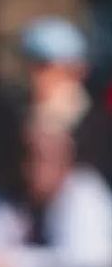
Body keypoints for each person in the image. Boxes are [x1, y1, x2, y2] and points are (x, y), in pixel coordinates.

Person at [0, 120, 112, 267]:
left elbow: (94, 265)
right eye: (25, 156)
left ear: (66, 162)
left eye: (43, 158)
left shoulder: (86, 191)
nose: (32, 169)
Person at [19, 16, 112, 182]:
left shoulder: (95, 126)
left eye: (44, 65)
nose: (34, 76)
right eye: (30, 64)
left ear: (77, 70)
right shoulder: (20, 118)